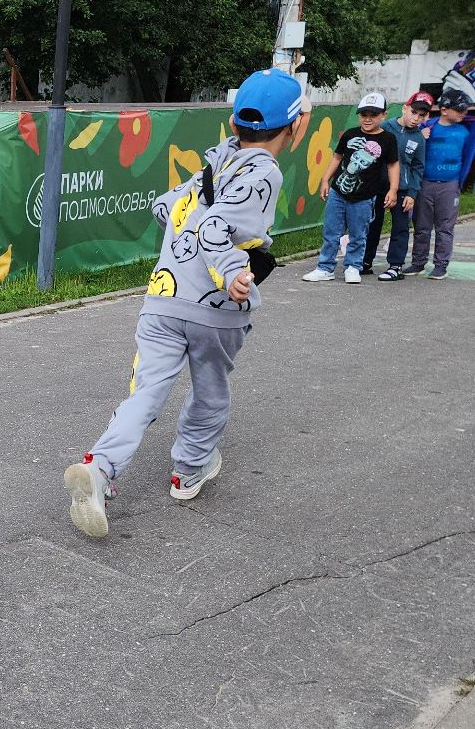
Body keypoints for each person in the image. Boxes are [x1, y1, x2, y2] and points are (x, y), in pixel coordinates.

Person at [64, 68, 304, 538]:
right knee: (211, 387)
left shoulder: (213, 166)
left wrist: (188, 235)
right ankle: (188, 470)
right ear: (294, 128)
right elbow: (217, 230)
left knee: (147, 391)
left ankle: (101, 468)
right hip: (216, 308)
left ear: (235, 125)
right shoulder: (266, 173)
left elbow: (163, 205)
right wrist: (235, 271)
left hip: (162, 299)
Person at [301, 91, 400, 284]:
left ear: (383, 115)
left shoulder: (388, 139)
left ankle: (353, 267)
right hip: (338, 193)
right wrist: (325, 180)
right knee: (331, 232)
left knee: (358, 234)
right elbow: (337, 157)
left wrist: (393, 189)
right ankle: (325, 267)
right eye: (364, 115)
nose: (368, 119)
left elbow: (393, 165)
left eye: (373, 115)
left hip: (364, 198)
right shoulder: (350, 134)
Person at [403, 90, 475, 280]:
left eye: (465, 111)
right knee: (421, 226)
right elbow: (410, 149)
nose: (463, 114)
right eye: (459, 111)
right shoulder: (429, 127)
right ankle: (418, 262)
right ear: (444, 110)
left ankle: (441, 265)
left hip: (450, 185)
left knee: (445, 227)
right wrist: (420, 136)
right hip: (425, 183)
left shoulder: (465, 131)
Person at [371, 92, 432, 282]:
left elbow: (417, 167)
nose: (416, 119)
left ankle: (395, 266)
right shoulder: (385, 127)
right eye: (413, 112)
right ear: (405, 108)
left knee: (400, 227)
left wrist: (412, 193)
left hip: (403, 189)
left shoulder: (419, 139)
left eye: (421, 116)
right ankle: (364, 262)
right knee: (372, 224)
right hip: (378, 186)